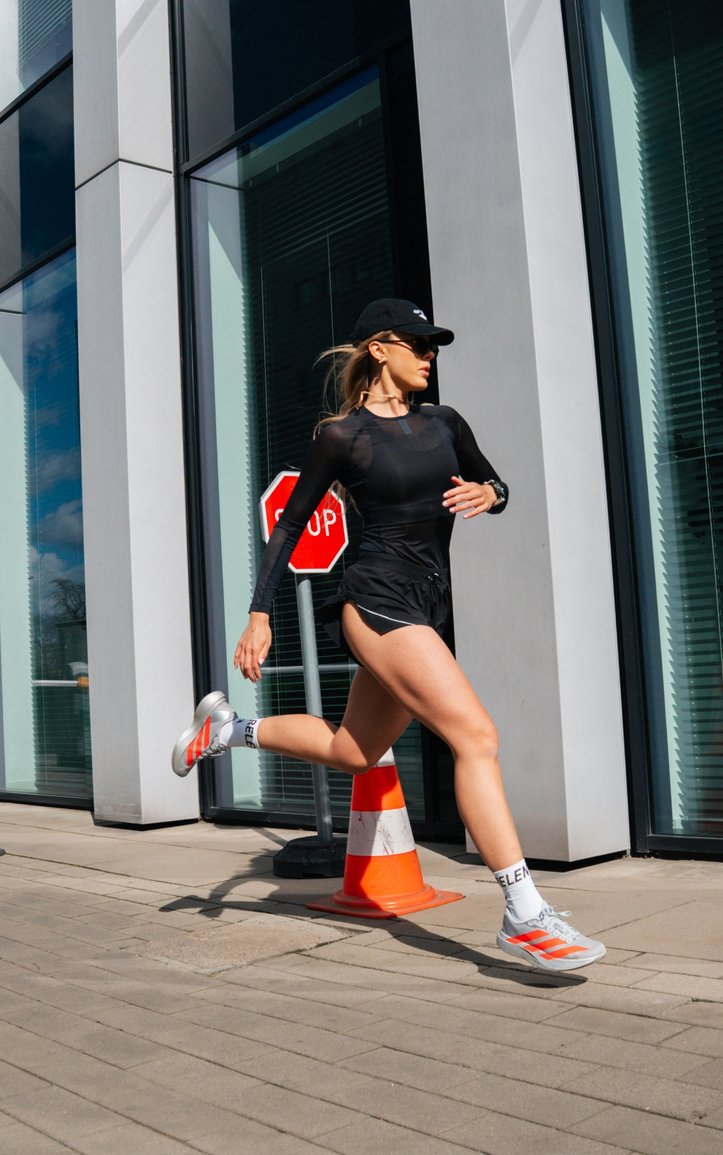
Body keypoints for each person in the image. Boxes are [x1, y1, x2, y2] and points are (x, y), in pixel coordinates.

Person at [172, 298, 605, 973]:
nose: (431, 355)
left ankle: (228, 731)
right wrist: (260, 610)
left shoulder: (445, 422)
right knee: (478, 737)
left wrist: (492, 495)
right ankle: (524, 912)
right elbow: (289, 525)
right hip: (376, 599)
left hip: (425, 605)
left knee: (353, 749)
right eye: (418, 343)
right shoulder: (344, 437)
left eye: (433, 345)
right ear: (379, 348)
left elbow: (496, 481)